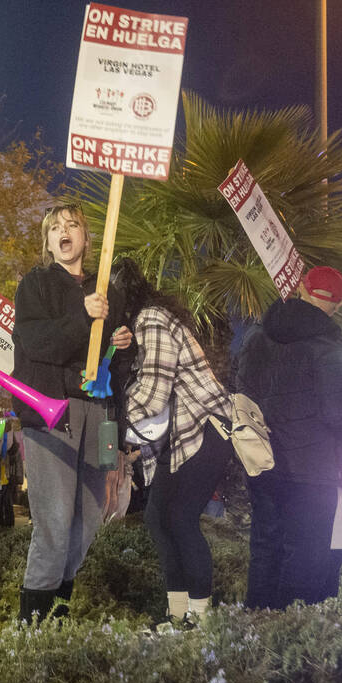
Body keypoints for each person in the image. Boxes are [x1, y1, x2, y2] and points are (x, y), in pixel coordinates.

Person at [11, 202, 132, 623]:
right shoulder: (35, 285)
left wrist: (121, 344)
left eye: (73, 225)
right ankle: (34, 625)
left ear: (85, 237)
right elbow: (37, 345)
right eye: (55, 228)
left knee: (89, 519)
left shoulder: (108, 292)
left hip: (100, 418)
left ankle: (58, 616)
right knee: (55, 521)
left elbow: (116, 371)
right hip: (53, 417)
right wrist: (83, 316)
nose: (64, 232)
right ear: (48, 242)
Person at [236, 265, 342, 610]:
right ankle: (290, 638)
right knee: (307, 557)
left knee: (266, 548)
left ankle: (255, 630)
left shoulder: (257, 335)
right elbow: (341, 419)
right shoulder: (331, 348)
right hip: (312, 472)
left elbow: (241, 393)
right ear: (339, 305)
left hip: (264, 462)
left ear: (300, 288)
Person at [114, 258, 233, 626]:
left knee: (179, 519)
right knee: (158, 518)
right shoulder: (139, 326)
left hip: (204, 431)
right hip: (181, 438)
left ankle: (198, 621)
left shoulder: (151, 319)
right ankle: (177, 614)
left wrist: (110, 422)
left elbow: (152, 394)